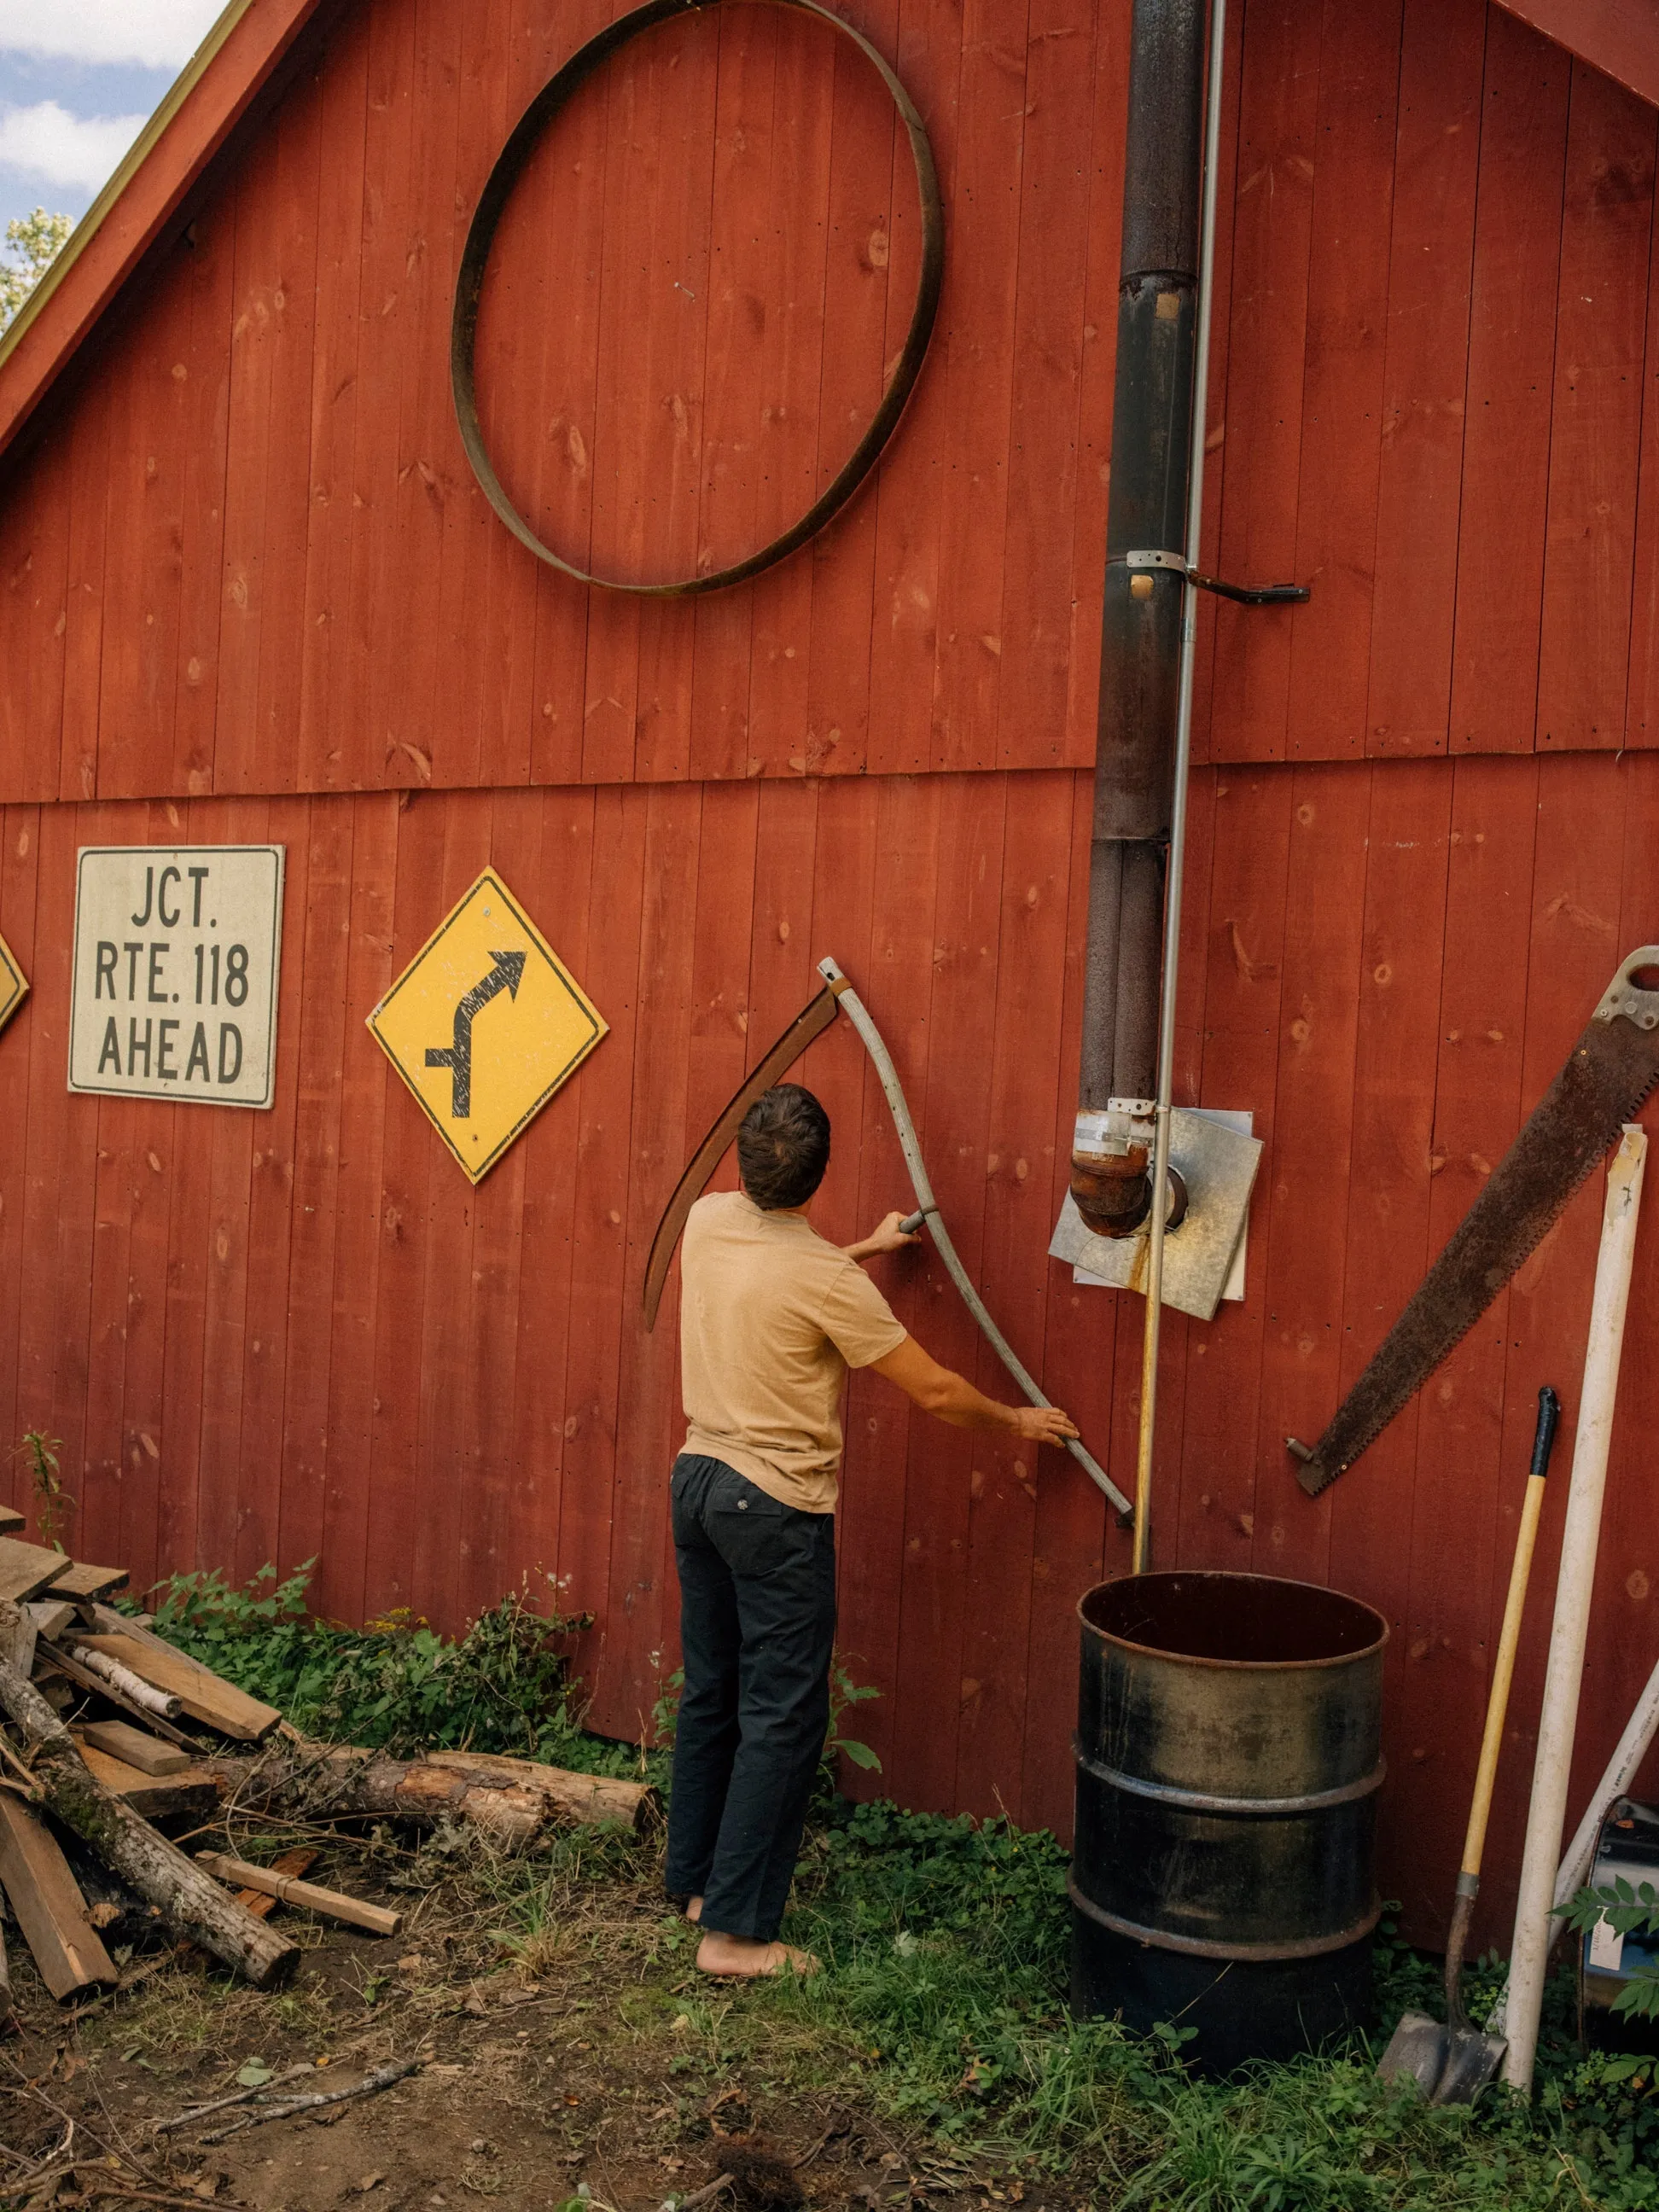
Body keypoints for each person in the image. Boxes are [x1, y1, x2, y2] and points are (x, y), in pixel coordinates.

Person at [666, 1080, 1080, 1979]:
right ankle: (733, 1937)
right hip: (772, 1507)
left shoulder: (707, 1222)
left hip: (698, 1484)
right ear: (819, 1176)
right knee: (782, 1715)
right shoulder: (820, 1277)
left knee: (715, 1692)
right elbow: (932, 1389)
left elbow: (783, 1275)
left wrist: (867, 1249)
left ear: (741, 1162)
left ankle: (699, 1885)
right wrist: (1017, 1421)